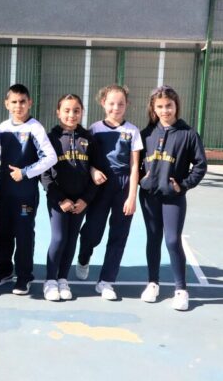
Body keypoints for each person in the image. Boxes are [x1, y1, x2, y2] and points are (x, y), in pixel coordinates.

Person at [139, 85, 207, 311]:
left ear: (176, 105)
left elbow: (200, 165)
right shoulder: (146, 134)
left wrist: (184, 185)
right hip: (149, 195)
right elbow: (134, 164)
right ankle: (153, 283)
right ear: (153, 108)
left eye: (169, 105)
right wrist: (142, 179)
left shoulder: (188, 134)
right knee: (153, 239)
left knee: (171, 240)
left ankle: (181, 289)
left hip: (173, 197)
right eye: (160, 106)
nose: (165, 110)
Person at [75, 85, 143, 301]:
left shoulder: (133, 131)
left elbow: (134, 166)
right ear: (103, 103)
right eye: (112, 103)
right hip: (100, 184)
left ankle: (106, 281)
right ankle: (84, 256)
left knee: (118, 236)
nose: (116, 107)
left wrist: (132, 196)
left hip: (123, 186)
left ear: (127, 105)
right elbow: (87, 160)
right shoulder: (94, 129)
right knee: (92, 231)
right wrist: (94, 170)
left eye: (121, 103)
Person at [0, 83, 57, 295]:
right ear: (6, 104)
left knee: (23, 235)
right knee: (1, 233)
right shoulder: (3, 127)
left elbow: (50, 157)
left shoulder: (35, 128)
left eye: (22, 102)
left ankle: (24, 276)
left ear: (30, 103)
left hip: (25, 193)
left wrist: (26, 172)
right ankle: (4, 270)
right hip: (4, 190)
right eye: (14, 102)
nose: (18, 106)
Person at [40, 94, 97, 301]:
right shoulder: (51, 138)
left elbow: (95, 171)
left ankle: (63, 278)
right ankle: (50, 280)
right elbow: (44, 174)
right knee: (59, 237)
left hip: (80, 201)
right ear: (58, 112)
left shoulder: (89, 138)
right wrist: (59, 199)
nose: (71, 114)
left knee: (72, 238)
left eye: (76, 110)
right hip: (59, 200)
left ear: (82, 112)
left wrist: (86, 200)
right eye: (66, 110)